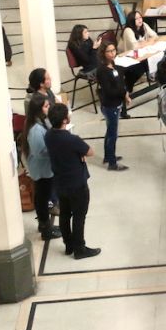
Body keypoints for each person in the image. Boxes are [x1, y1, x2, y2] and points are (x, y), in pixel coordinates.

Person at [43, 104, 100, 259]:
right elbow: (90, 152)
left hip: (60, 183)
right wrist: (79, 155)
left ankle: (68, 245)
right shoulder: (71, 139)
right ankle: (79, 248)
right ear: (65, 120)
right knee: (79, 216)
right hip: (77, 184)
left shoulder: (48, 136)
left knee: (65, 214)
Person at [20, 93, 61, 240]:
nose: (48, 107)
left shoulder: (42, 121)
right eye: (46, 106)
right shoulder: (35, 130)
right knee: (42, 198)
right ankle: (45, 229)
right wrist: (56, 149)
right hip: (41, 168)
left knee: (42, 196)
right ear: (38, 109)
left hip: (44, 168)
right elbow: (39, 152)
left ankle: (44, 224)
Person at [96, 41, 130, 171]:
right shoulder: (103, 70)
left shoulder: (114, 65)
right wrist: (123, 93)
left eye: (114, 50)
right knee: (112, 134)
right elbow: (109, 90)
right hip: (110, 105)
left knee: (110, 131)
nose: (112, 53)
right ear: (103, 53)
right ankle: (112, 162)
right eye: (109, 51)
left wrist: (125, 92)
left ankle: (108, 156)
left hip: (116, 103)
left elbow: (120, 82)